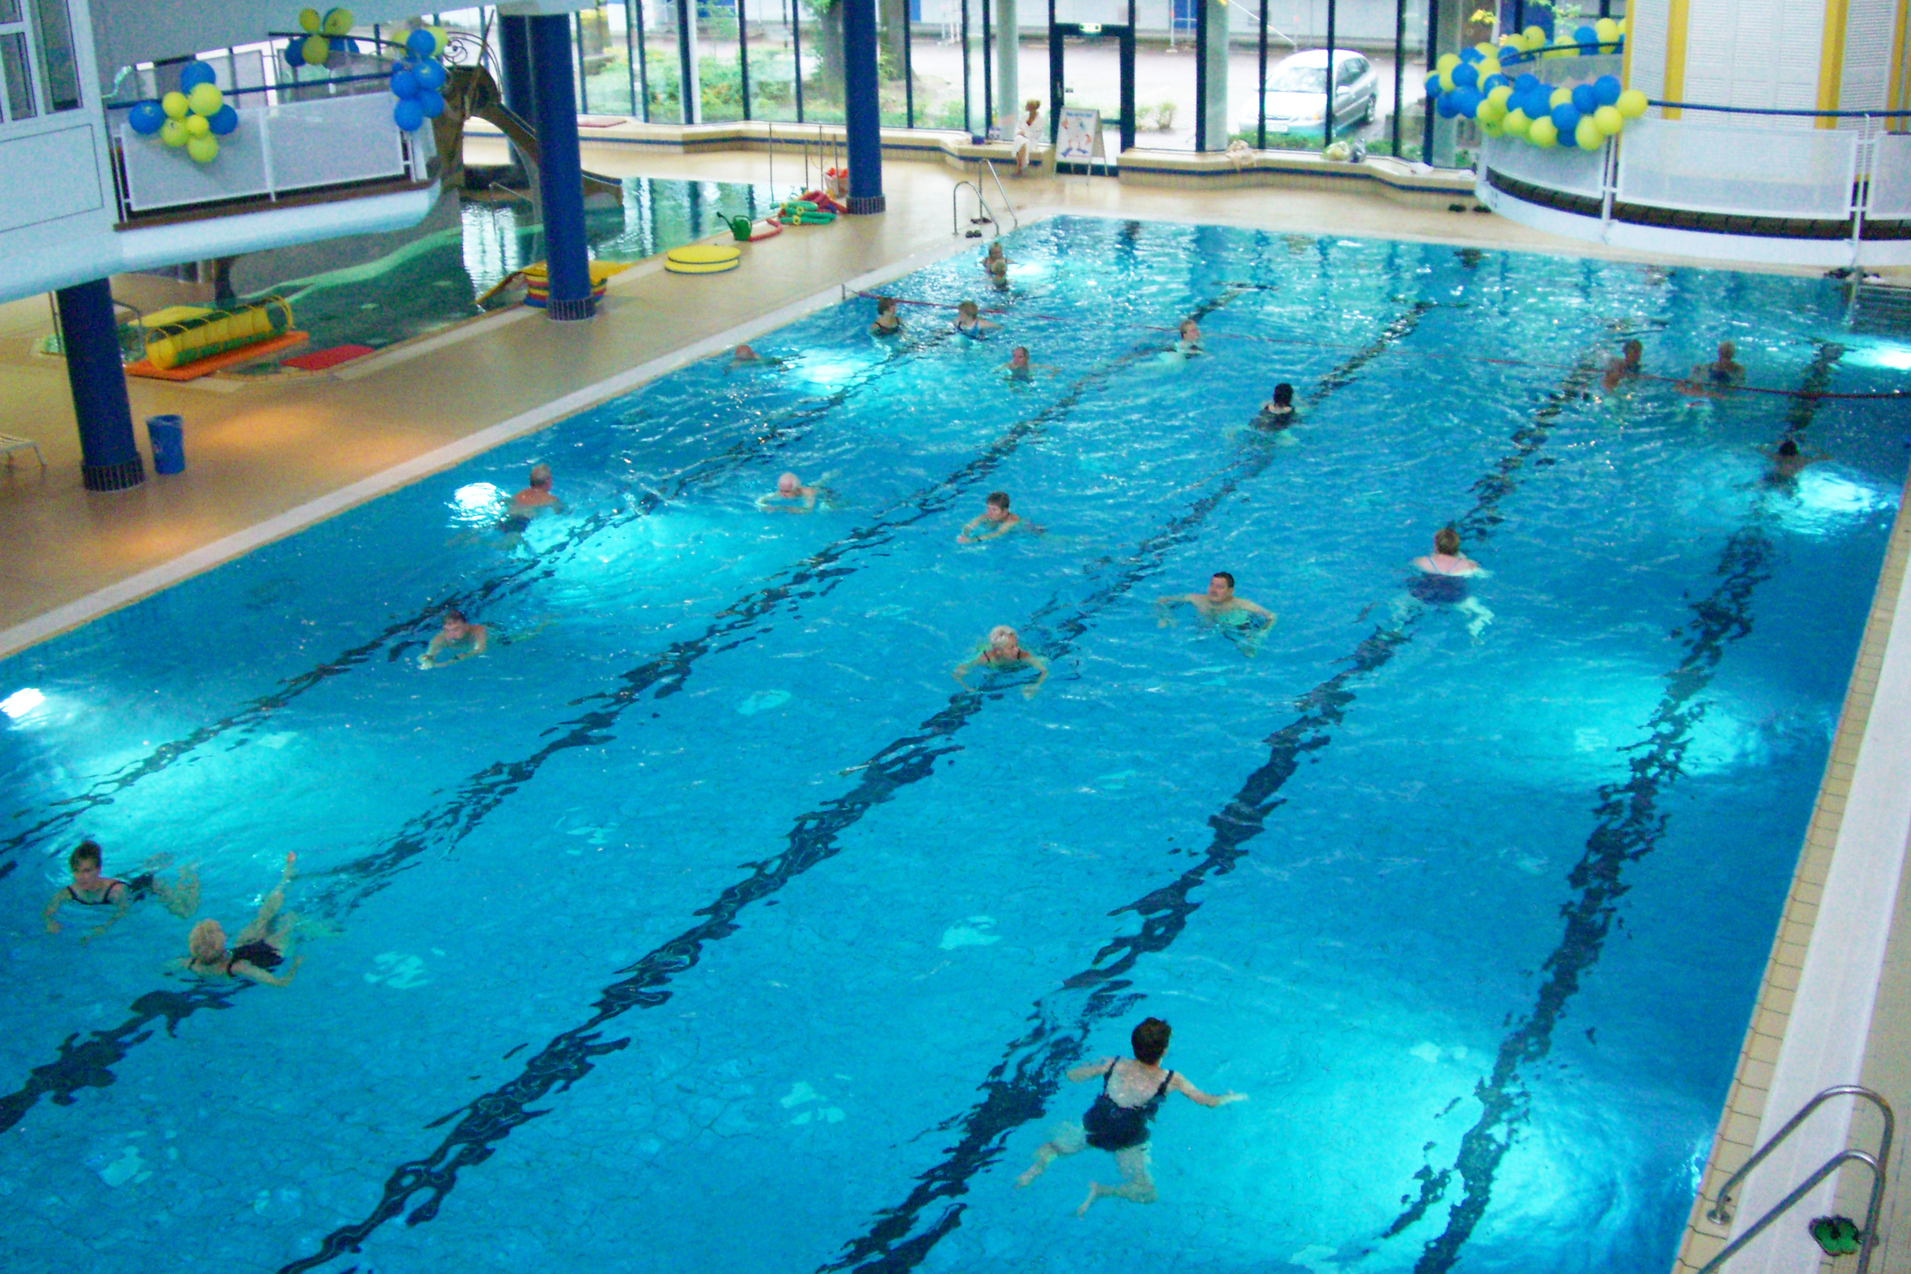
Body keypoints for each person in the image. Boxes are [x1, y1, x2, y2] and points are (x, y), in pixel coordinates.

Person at [1016, 1017, 1245, 1216]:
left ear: (1133, 1045)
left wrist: (1091, 1066)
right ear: (1164, 1050)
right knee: (1147, 1192)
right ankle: (1101, 1190)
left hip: (1096, 1122)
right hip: (1127, 1136)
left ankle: (1033, 1170)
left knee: (1052, 1147)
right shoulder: (1170, 1079)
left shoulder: (1114, 1064)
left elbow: (1072, 1076)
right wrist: (1230, 1097)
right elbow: (1207, 1101)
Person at [176, 853, 303, 987]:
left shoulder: (189, 964)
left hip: (239, 950)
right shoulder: (240, 967)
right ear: (222, 941)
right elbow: (281, 983)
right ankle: (286, 877)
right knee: (288, 920)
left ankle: (285, 880)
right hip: (270, 954)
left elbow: (167, 967)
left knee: (262, 921)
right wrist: (297, 963)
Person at [43, 841, 198, 940]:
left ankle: (187, 874)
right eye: (76, 871)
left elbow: (123, 911)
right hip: (125, 880)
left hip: (145, 886)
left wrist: (103, 928)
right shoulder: (68, 893)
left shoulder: (115, 892)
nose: (81, 877)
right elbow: (47, 911)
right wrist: (50, 922)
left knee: (183, 912)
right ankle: (149, 864)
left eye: (87, 871)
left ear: (98, 870)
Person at [1410, 527, 1493, 637]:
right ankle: (1474, 630)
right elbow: (1485, 575)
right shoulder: (1468, 565)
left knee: (1401, 606)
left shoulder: (1422, 561)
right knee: (1485, 613)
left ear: (1435, 545)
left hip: (1425, 596)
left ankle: (1397, 628)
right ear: (1457, 546)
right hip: (1455, 598)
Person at [1155, 572, 1275, 642]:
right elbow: (1161, 600)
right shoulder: (1196, 599)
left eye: (1220, 587)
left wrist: (1261, 633)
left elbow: (1271, 616)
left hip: (1234, 627)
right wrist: (1165, 618)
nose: (1213, 590)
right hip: (1205, 629)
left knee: (1249, 652)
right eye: (1212, 585)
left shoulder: (1240, 604)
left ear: (1230, 591)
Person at [954, 625, 1049, 699]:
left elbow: (1044, 671)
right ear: (998, 651)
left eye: (1016, 645)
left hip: (1006, 665)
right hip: (988, 653)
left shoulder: (1022, 655)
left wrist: (1035, 686)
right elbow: (957, 670)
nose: (1017, 649)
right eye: (1011, 647)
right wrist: (968, 688)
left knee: (1044, 659)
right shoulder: (985, 658)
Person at [498, 463, 564, 534]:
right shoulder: (550, 498)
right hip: (521, 521)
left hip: (505, 518)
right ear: (548, 481)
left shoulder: (519, 494)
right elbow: (560, 513)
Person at [958, 491, 1038, 543]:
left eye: (994, 510)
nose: (989, 512)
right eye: (988, 508)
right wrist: (964, 534)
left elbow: (998, 533)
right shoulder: (986, 516)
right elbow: (969, 526)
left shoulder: (1011, 520)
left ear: (1005, 511)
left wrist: (972, 540)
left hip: (1032, 533)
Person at [421, 608, 490, 669]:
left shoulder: (477, 630)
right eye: (447, 630)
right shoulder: (439, 639)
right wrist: (428, 661)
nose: (451, 634)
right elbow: (426, 656)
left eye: (456, 629)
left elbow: (481, 649)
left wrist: (464, 656)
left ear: (466, 626)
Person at [756, 471, 831, 513]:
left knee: (825, 508)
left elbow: (807, 510)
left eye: (787, 492)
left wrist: (781, 508)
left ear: (796, 489)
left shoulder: (808, 494)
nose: (783, 494)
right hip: (806, 489)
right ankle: (822, 479)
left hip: (825, 494)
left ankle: (825, 479)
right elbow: (760, 500)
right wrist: (764, 505)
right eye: (781, 491)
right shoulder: (782, 491)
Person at [1763, 437, 1828, 483]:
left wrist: (1772, 443)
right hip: (1789, 481)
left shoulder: (1777, 457)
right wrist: (1813, 448)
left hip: (1774, 477)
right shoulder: (1802, 460)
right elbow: (1827, 457)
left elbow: (1760, 448)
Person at [1011, 98, 1041, 175]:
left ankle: (1020, 166)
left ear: (1032, 107)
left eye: (1027, 105)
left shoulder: (1040, 119)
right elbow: (1018, 126)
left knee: (1023, 144)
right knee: (1018, 139)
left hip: (1032, 139)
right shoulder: (1024, 116)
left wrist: (1026, 134)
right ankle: (1019, 165)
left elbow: (1037, 133)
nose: (1026, 107)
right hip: (1021, 136)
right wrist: (1019, 132)